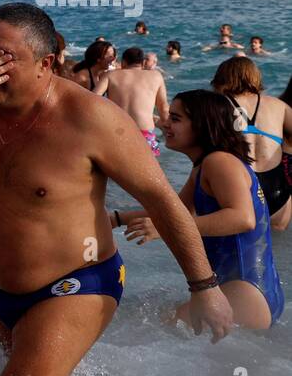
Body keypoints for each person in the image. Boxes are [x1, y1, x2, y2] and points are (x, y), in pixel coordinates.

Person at [0, 2, 234, 376]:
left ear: (46, 63)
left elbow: (162, 200)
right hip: (4, 292)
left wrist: (204, 286)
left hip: (76, 285)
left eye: (4, 57)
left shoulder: (91, 119)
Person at [116, 90, 283, 329]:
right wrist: (115, 218)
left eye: (175, 119)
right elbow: (172, 211)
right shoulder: (205, 165)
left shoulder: (219, 162)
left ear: (203, 124)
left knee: (148, 331)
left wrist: (164, 228)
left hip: (245, 291)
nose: (164, 124)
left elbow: (242, 219)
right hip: (251, 289)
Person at [211, 56, 292, 231]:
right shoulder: (278, 105)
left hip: (239, 189)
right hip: (278, 191)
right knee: (276, 251)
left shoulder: (216, 106)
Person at [94, 45, 168, 156]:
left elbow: (94, 99)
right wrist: (169, 129)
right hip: (144, 134)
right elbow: (163, 107)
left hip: (117, 132)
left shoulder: (111, 75)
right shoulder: (156, 76)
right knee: (145, 171)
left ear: (123, 62)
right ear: (143, 63)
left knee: (116, 170)